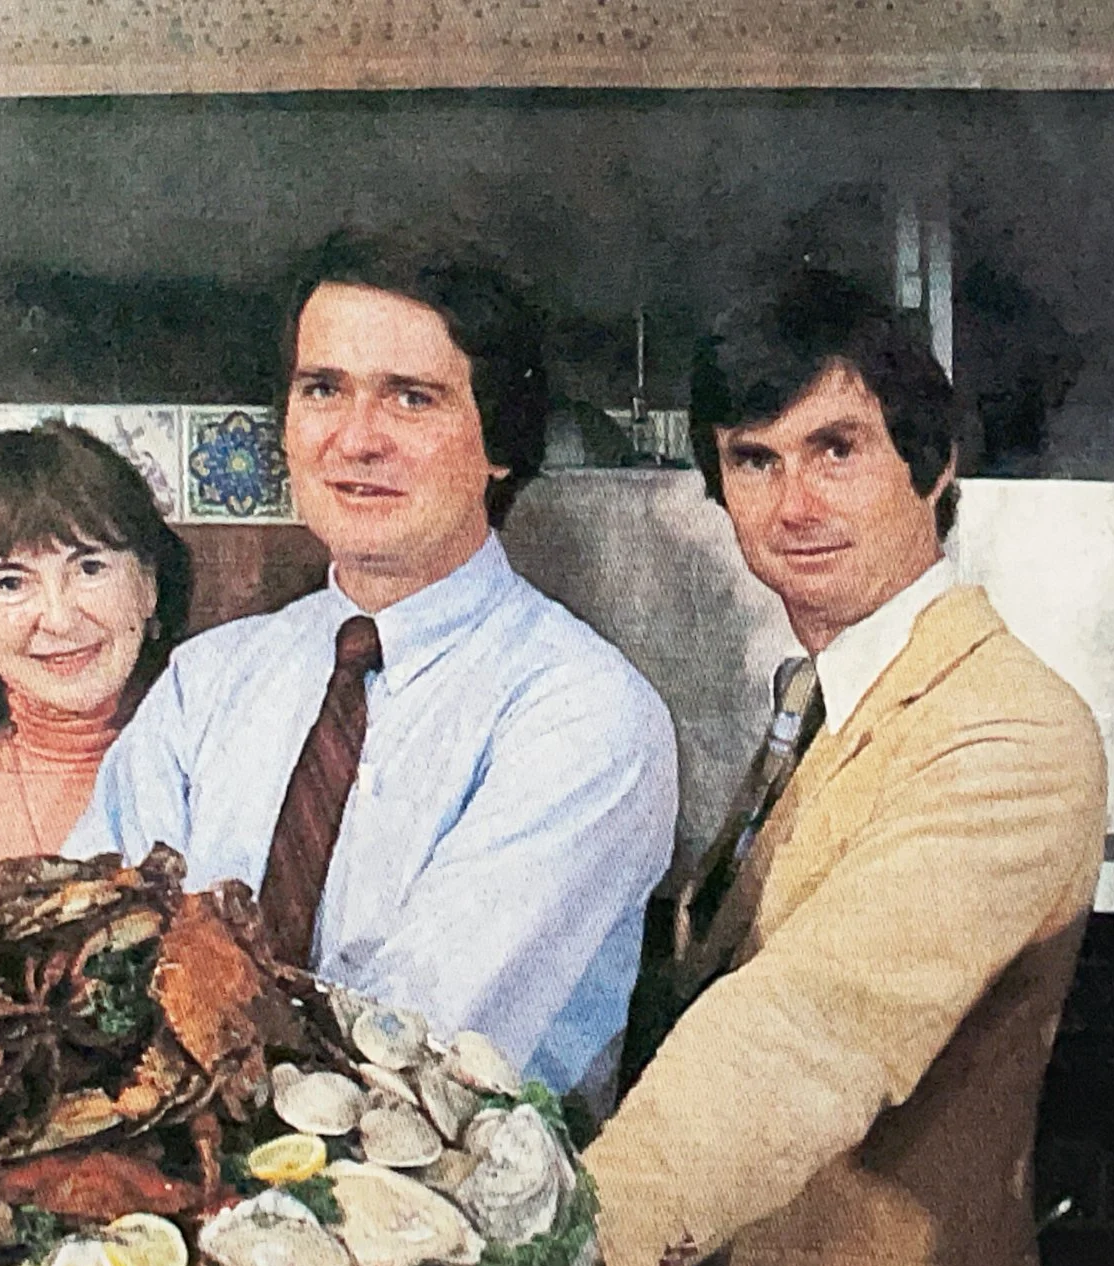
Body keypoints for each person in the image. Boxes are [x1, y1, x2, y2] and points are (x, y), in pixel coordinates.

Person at [583, 269, 1108, 1266]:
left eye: (836, 448)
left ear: (932, 461)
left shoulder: (1010, 727)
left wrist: (554, 1252)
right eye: (754, 459)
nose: (795, 505)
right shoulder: (816, 692)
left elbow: (806, 1027)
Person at [68, 232, 679, 1108]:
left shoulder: (584, 715)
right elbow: (83, 960)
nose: (357, 440)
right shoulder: (207, 684)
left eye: (412, 399)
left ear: (501, 441)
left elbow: (405, 1049)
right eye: (324, 390)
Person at [0, 423, 193, 863]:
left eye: (90, 568)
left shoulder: (217, 765)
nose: (60, 620)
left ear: (148, 585)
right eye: (11, 582)